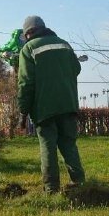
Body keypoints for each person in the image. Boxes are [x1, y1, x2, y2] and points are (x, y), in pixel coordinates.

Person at [17, 15, 86, 193]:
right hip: (68, 104)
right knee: (69, 145)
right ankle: (80, 183)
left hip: (44, 108)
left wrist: (23, 112)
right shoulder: (64, 44)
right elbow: (76, 69)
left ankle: (51, 188)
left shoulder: (29, 49)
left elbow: (26, 83)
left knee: (48, 146)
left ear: (29, 33)